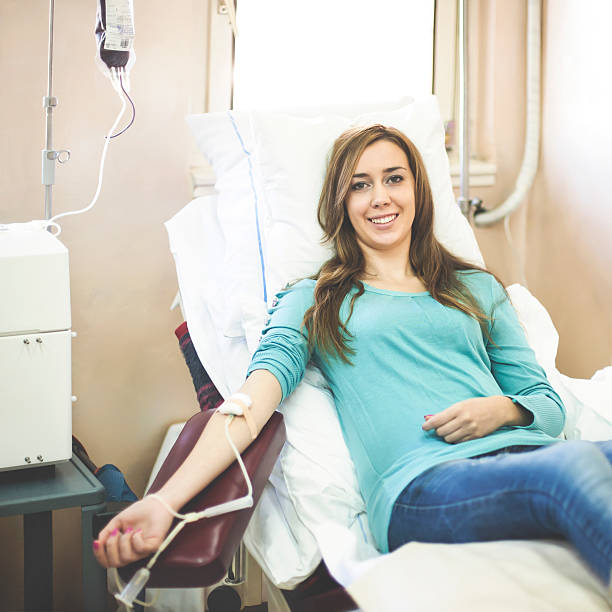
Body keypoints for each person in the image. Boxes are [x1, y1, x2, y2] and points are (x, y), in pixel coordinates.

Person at [94, 125, 612, 589]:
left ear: (417, 190)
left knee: (585, 459)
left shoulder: (474, 288)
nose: (380, 197)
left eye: (394, 178)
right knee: (575, 469)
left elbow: (545, 401)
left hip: (529, 453)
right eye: (360, 185)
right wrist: (163, 501)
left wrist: (502, 410)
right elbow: (247, 406)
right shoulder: (318, 298)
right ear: (341, 203)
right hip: (424, 484)